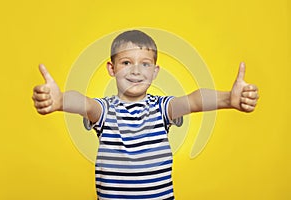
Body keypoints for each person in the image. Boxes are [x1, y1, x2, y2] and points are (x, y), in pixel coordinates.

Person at [32, 30, 259, 200]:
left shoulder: (162, 109)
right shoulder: (105, 111)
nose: (136, 70)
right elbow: (84, 104)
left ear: (155, 71)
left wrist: (228, 99)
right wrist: (60, 100)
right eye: (126, 62)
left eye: (145, 64)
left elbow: (194, 100)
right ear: (112, 69)